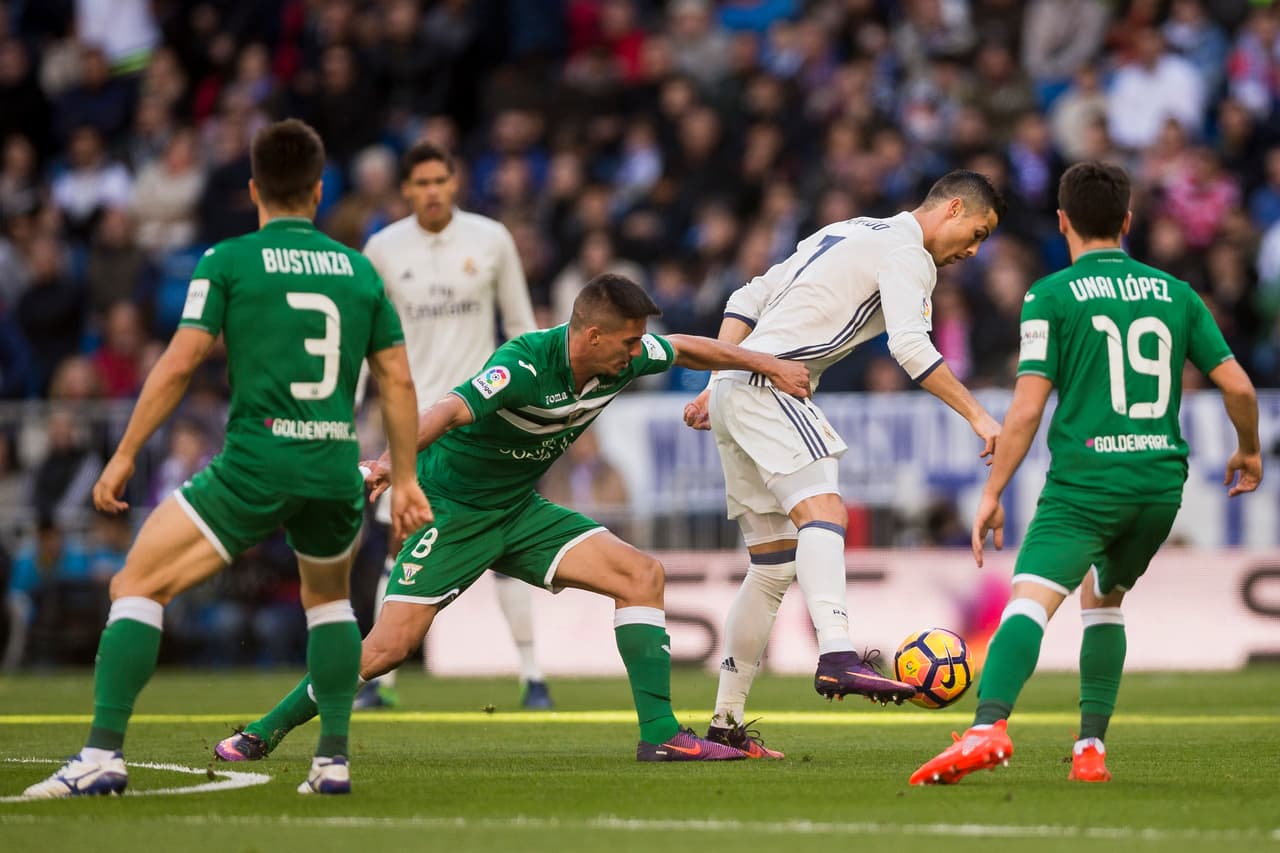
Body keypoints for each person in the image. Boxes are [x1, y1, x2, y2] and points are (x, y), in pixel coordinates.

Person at [214, 273, 810, 763]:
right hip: (453, 510)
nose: (637, 354)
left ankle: (660, 735)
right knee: (389, 648)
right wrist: (384, 467)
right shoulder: (523, 364)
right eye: (628, 343)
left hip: (519, 510)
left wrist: (767, 364)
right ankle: (264, 730)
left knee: (641, 576)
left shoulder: (622, 359)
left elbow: (682, 345)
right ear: (592, 335)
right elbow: (448, 411)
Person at [22, 119, 432, 799]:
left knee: (137, 583)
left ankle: (100, 754)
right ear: (320, 191)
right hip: (335, 466)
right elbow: (399, 381)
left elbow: (181, 361)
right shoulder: (360, 271)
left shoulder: (228, 259)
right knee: (329, 602)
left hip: (257, 461)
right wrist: (409, 478)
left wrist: (123, 453)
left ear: (253, 189)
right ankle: (332, 761)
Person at [910, 162, 1262, 786]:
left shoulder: (1051, 295)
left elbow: (1025, 408)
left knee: (1030, 599)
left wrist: (992, 492)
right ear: (1128, 221)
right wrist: (1249, 450)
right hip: (1158, 484)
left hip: (1086, 481)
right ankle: (1089, 748)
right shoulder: (1177, 293)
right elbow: (1237, 384)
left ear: (1062, 221)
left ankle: (988, 727)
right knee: (1105, 600)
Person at [681, 170, 1007, 758]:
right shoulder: (910, 254)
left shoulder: (851, 229)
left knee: (774, 567)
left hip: (737, 385)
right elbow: (910, 347)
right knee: (825, 510)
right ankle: (836, 654)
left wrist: (715, 382)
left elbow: (747, 297)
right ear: (953, 208)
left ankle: (726, 723)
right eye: (977, 232)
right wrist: (979, 417)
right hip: (770, 384)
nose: (973, 250)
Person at [354, 141, 555, 711]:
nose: (432, 191)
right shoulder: (383, 248)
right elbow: (365, 343)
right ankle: (379, 682)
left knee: (502, 546)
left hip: (485, 421)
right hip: (409, 428)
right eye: (421, 183)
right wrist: (349, 414)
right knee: (400, 544)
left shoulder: (491, 239)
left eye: (441, 179)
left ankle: (533, 675)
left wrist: (536, 410)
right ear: (406, 190)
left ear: (455, 181)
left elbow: (520, 328)